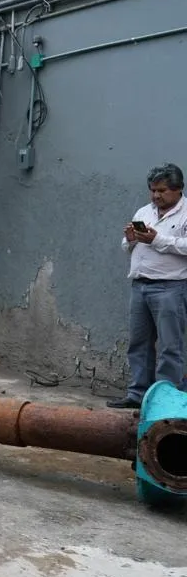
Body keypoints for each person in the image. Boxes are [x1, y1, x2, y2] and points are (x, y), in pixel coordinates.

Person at [108, 163, 187, 409]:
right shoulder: (144, 211)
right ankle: (138, 394)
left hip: (171, 287)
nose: (156, 196)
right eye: (153, 190)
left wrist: (157, 239)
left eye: (162, 190)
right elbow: (126, 246)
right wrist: (131, 240)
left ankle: (167, 400)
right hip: (140, 285)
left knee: (170, 346)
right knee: (139, 343)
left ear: (178, 189)